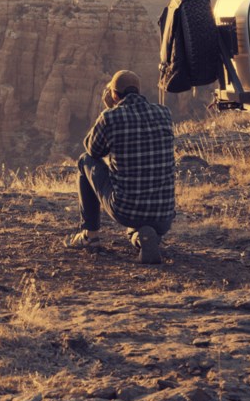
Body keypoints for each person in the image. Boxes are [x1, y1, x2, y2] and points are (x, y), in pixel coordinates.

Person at [64, 70, 176, 264]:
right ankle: (145, 239)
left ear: (115, 94)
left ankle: (89, 236)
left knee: (84, 161)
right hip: (164, 215)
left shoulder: (111, 117)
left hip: (126, 210)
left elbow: (92, 150)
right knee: (143, 226)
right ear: (139, 91)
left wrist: (109, 109)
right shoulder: (164, 112)